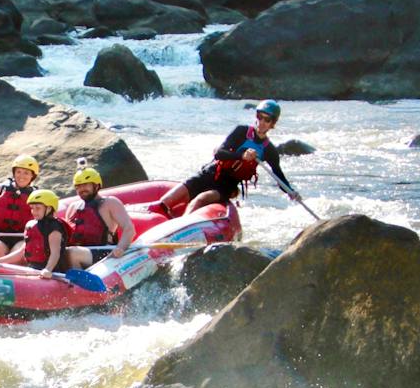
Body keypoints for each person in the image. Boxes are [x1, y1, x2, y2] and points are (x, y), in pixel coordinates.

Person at [154, 100, 292, 217]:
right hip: (210, 173)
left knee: (199, 200)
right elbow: (219, 153)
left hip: (226, 185)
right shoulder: (241, 131)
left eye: (267, 120)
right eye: (259, 117)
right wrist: (241, 156)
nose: (261, 122)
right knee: (166, 201)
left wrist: (291, 192)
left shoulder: (269, 150)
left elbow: (279, 177)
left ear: (272, 123)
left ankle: (178, 230)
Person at [60, 166, 135, 268]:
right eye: (78, 186)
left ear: (96, 185)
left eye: (85, 185)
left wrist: (121, 248)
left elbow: (129, 229)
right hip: (80, 252)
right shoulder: (73, 207)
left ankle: (78, 281)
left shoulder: (110, 203)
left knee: (72, 253)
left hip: (103, 253)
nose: (82, 189)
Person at [2, 188, 70, 278]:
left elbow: (55, 253)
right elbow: (21, 252)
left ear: (49, 208)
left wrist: (47, 269)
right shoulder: (30, 225)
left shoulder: (54, 228)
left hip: (52, 273)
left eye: (38, 208)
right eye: (32, 208)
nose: (34, 211)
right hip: (33, 269)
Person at [0, 156, 41, 259]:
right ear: (14, 173)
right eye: (18, 172)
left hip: (21, 238)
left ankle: (5, 267)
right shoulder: (0, 189)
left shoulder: (37, 195)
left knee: (21, 250)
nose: (21, 176)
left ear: (32, 176)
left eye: (26, 173)